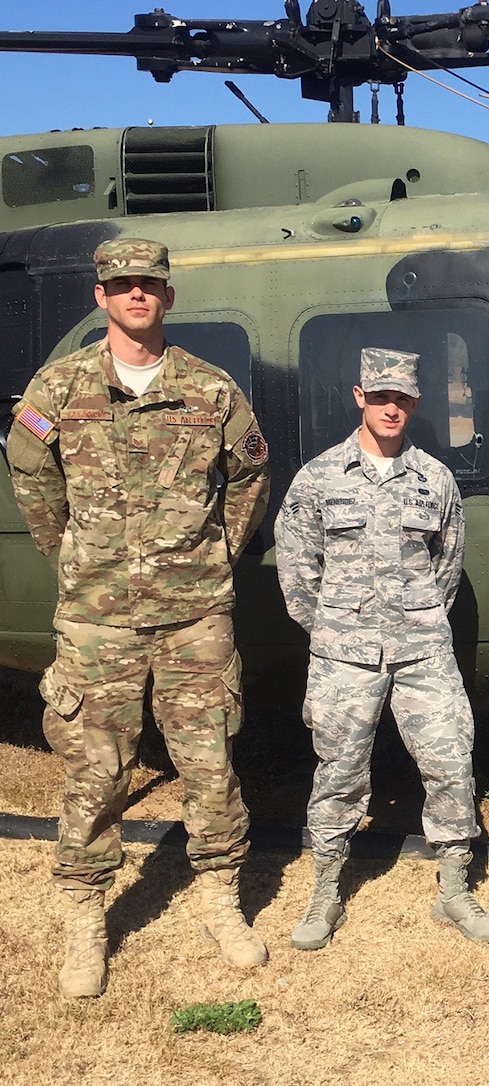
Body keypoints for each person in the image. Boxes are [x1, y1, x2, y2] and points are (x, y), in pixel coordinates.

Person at [7, 238, 271, 998]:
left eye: (148, 285)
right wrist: (76, 558)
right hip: (97, 619)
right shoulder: (56, 389)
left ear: (168, 295)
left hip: (195, 614)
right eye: (121, 285)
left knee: (210, 761)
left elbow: (249, 471)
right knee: (95, 769)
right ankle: (87, 915)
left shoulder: (211, 390)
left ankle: (222, 897)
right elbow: (32, 477)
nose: (135, 296)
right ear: (100, 297)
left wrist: (215, 549)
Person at [274, 347, 489, 949]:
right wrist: (335, 630)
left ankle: (454, 889)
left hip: (423, 651)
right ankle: (326, 890)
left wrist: (416, 621)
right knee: (339, 771)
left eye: (401, 398)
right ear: (360, 398)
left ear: (415, 403)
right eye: (380, 397)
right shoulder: (319, 477)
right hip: (342, 656)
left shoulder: (436, 480)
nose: (391, 408)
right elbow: (297, 574)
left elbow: (445, 570)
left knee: (451, 761)